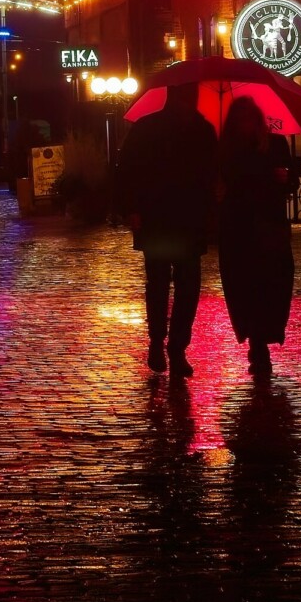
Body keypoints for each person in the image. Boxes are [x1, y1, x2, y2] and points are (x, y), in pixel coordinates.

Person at [117, 80, 218, 378]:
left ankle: (168, 345)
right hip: (170, 219)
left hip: (171, 219)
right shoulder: (199, 130)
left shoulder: (159, 128)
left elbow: (127, 170)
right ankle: (166, 344)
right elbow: (129, 171)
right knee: (173, 286)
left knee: (172, 286)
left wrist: (133, 208)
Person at [217, 96, 295, 377]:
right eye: (241, 118)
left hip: (268, 226)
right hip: (238, 228)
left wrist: (284, 179)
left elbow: (290, 180)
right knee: (245, 286)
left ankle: (262, 338)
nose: (246, 124)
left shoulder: (273, 144)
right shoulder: (225, 150)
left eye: (250, 118)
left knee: (272, 283)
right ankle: (256, 341)